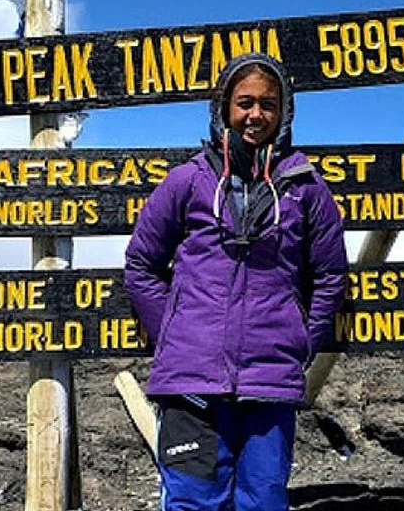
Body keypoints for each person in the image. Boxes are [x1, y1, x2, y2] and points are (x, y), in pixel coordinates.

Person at [124, 52, 348, 511]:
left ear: (284, 112)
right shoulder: (186, 182)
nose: (256, 115)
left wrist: (303, 341)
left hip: (271, 379)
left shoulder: (306, 188)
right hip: (190, 380)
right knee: (193, 502)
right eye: (245, 102)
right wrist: (173, 332)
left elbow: (329, 275)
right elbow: (142, 266)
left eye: (268, 104)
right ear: (223, 107)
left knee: (263, 501)